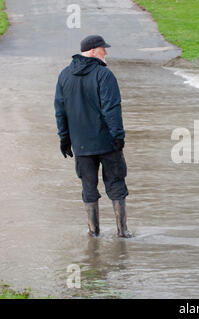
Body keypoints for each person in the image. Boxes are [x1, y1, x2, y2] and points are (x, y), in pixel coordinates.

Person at [54, 35, 132, 238]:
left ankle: (93, 232)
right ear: (93, 51)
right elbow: (111, 108)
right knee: (116, 185)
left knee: (88, 187)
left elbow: (60, 111)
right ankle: (123, 232)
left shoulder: (64, 76)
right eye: (103, 49)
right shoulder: (104, 75)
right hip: (107, 143)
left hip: (81, 146)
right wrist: (118, 136)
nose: (106, 52)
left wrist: (64, 139)